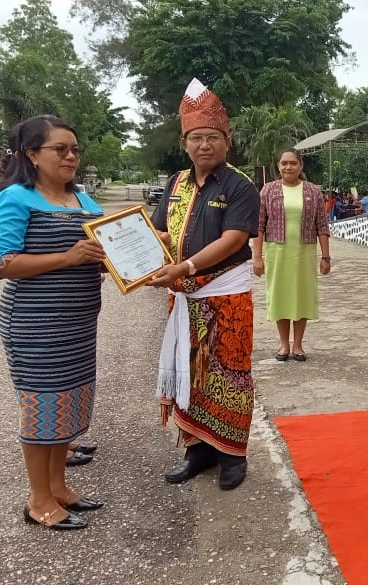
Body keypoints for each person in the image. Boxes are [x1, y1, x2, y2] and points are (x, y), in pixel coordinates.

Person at [0, 114, 106, 530]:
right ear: (33, 155)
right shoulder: (17, 199)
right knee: (43, 408)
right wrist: (68, 258)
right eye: (60, 149)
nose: (70, 156)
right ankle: (38, 500)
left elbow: (100, 251)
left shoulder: (84, 201)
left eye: (74, 149)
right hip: (36, 326)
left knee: (68, 404)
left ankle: (59, 486)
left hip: (78, 324)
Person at [146, 78, 260, 490]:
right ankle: (196, 451)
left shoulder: (239, 185)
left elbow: (234, 239)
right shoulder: (175, 185)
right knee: (190, 371)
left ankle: (232, 456)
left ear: (226, 142)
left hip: (226, 295)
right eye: (196, 138)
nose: (204, 145)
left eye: (212, 137)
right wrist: (137, 259)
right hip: (185, 297)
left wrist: (186, 267)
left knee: (228, 372)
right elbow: (158, 232)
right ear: (185, 142)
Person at [253, 148, 331, 361]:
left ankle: (298, 345)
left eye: (293, 163)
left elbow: (322, 225)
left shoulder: (313, 191)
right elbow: (258, 225)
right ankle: (283, 344)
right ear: (278, 166)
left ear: (300, 166)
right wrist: (257, 257)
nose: (288, 167)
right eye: (284, 163)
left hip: (304, 251)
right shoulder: (268, 191)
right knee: (281, 295)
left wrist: (326, 256)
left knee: (301, 295)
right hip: (277, 251)